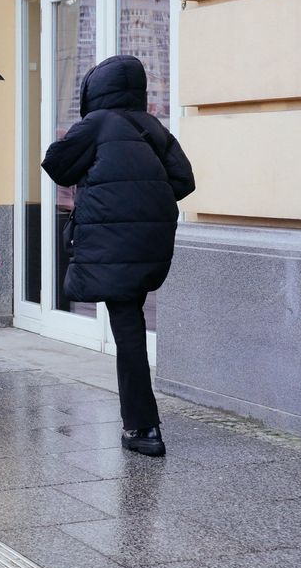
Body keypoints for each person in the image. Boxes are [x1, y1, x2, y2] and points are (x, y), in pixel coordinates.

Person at [41, 55, 195, 457]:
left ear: (95, 91)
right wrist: (141, 204)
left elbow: (56, 165)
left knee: (127, 332)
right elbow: (183, 180)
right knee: (130, 324)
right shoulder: (152, 128)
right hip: (147, 244)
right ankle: (139, 423)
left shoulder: (97, 124)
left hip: (112, 244)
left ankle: (144, 427)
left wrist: (113, 198)